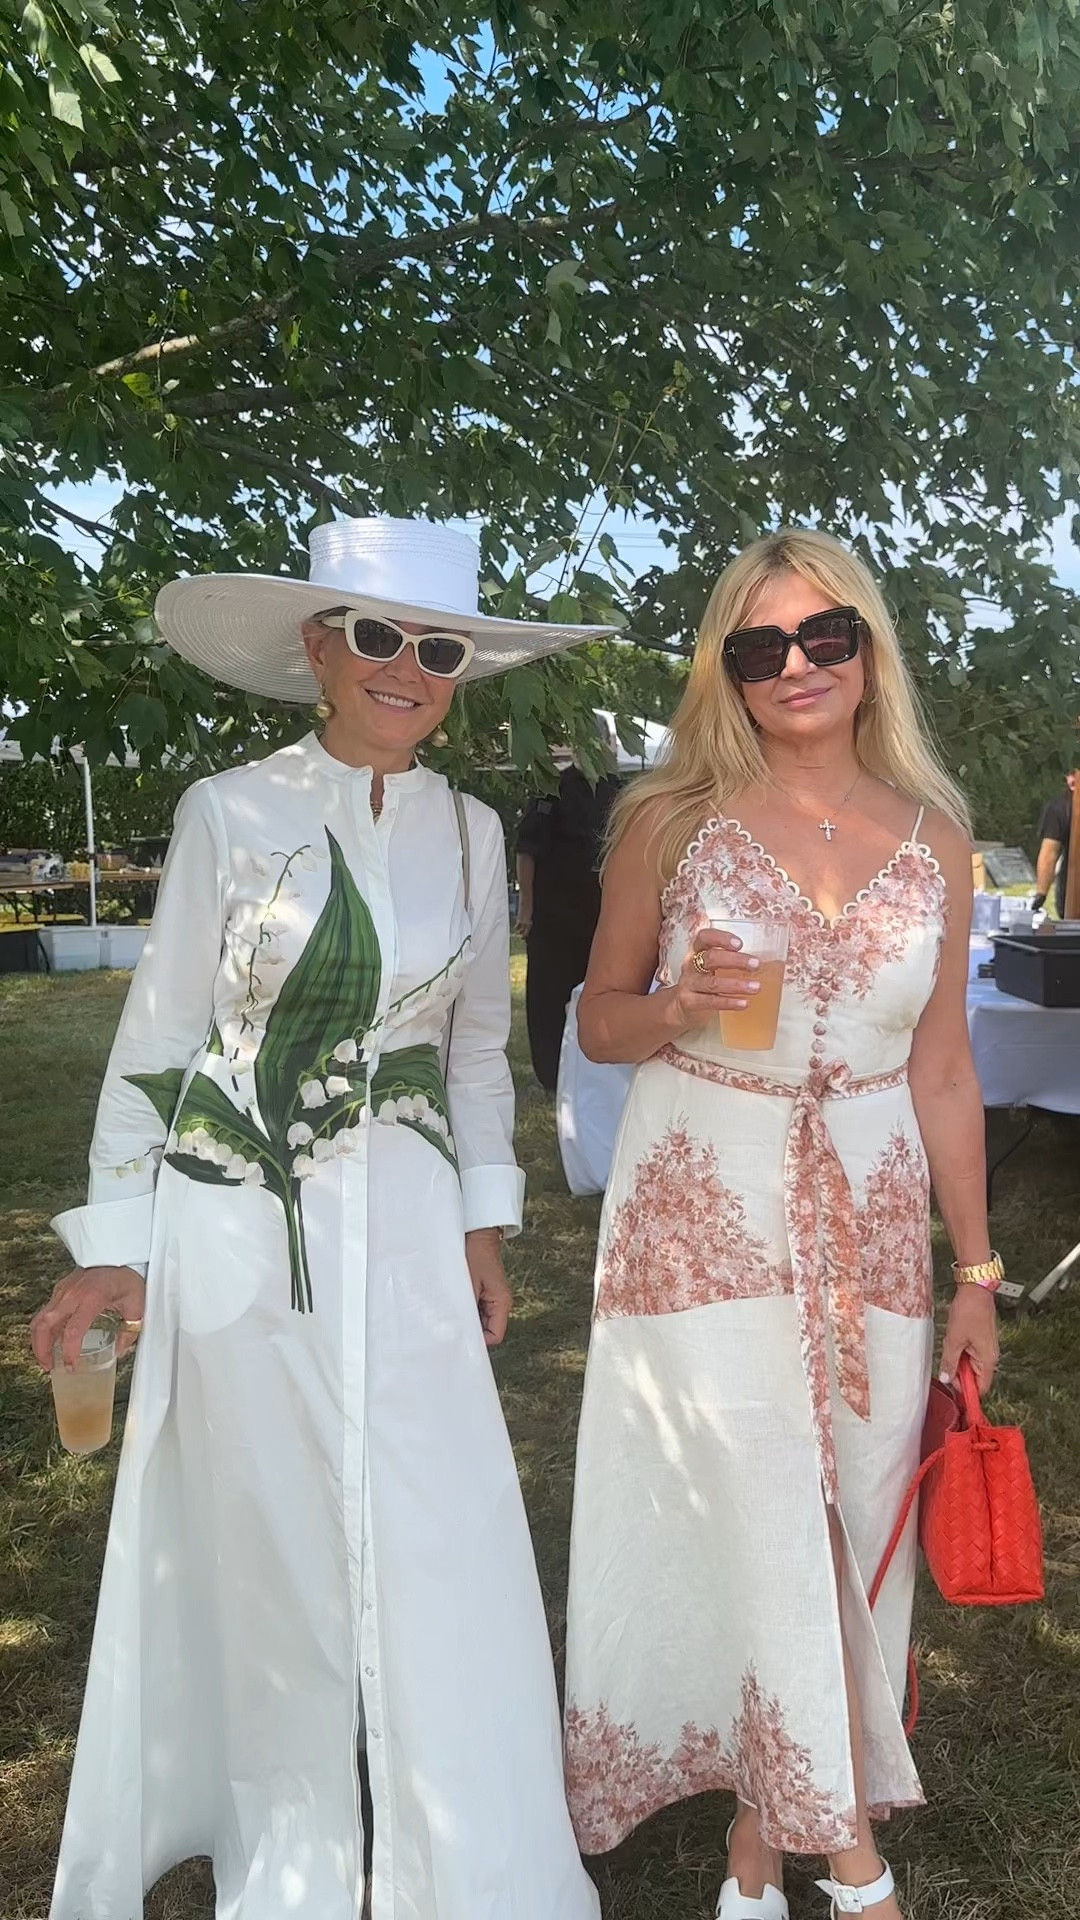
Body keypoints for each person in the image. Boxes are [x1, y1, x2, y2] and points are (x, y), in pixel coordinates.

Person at [30, 517, 611, 1920]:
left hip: (408, 1230)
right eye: (377, 636)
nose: (407, 668)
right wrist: (116, 1249)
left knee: (439, 1531)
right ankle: (287, 1863)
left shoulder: (474, 833)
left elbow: (475, 1055)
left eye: (438, 647)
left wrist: (483, 1227)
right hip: (239, 1224)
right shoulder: (228, 812)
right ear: (320, 648)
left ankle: (465, 1865)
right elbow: (163, 1037)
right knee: (268, 1542)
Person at [562, 530, 1001, 1920]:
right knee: (757, 1512)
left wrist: (979, 1271)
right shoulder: (669, 819)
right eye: (760, 646)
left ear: (868, 649)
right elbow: (598, 1020)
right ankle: (854, 1863)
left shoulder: (936, 837)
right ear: (726, 671)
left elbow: (945, 1069)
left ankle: (755, 1864)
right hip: (704, 1196)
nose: (795, 664)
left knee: (853, 1510)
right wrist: (676, 1004)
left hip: (873, 1204)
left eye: (825, 635)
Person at [515, 753, 622, 1092]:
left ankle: (598, 1074)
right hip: (554, 919)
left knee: (603, 998)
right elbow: (527, 850)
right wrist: (526, 909)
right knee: (548, 999)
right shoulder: (552, 788)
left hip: (603, 919)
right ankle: (550, 1075)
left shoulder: (621, 792)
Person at [1034, 768, 1077, 918]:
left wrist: (1041, 895)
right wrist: (1041, 895)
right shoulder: (1060, 807)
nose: (1072, 780)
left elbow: (1049, 854)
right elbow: (1049, 854)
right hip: (1072, 895)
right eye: (1070, 774)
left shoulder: (1060, 807)